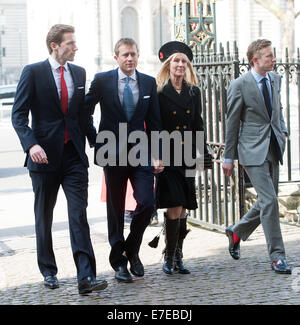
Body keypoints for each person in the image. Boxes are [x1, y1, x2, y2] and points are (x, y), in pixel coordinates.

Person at [11, 24, 108, 294]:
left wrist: (97, 143)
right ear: (55, 45)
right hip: (43, 158)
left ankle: (86, 277)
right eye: (71, 43)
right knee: (44, 216)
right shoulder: (33, 72)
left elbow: (79, 116)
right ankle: (48, 270)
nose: (75, 47)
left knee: (79, 215)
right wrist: (31, 146)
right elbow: (18, 116)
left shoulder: (79, 72)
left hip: (74, 156)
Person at [85, 38, 164, 283]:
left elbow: (155, 122)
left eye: (133, 54)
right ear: (116, 57)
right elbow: (84, 111)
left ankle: (132, 248)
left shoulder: (149, 83)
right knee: (116, 208)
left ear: (138, 56)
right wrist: (95, 140)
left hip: (141, 152)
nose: (129, 58)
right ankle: (119, 263)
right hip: (112, 150)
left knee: (148, 203)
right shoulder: (102, 81)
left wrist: (158, 154)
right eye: (125, 55)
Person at [222, 39, 291, 274]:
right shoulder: (240, 84)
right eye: (269, 56)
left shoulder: (275, 79)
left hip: (273, 147)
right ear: (255, 60)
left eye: (273, 55)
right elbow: (231, 123)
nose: (274, 59)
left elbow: (277, 110)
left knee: (266, 200)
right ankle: (277, 256)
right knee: (270, 201)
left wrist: (283, 129)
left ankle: (236, 232)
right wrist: (228, 157)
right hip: (251, 150)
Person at [155, 41, 211, 275]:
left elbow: (197, 124)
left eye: (183, 61)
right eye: (175, 60)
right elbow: (154, 126)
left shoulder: (193, 91)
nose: (180, 64)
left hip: (187, 155)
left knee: (185, 205)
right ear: (168, 65)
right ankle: (169, 255)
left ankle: (178, 256)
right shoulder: (157, 90)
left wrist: (204, 153)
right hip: (168, 155)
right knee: (175, 204)